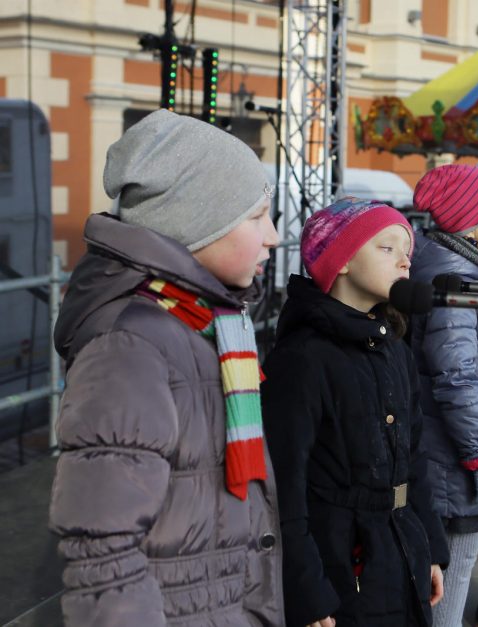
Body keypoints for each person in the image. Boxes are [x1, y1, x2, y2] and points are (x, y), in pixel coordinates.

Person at [47, 109, 284, 625]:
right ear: (196, 220)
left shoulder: (201, 323)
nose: (272, 237)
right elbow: (102, 556)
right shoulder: (133, 346)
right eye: (256, 216)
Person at [261, 198, 449, 627]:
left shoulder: (394, 348)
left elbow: (414, 457)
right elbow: (284, 484)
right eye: (387, 248)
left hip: (401, 549)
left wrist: (431, 549)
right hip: (340, 567)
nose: (405, 261)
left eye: (408, 251)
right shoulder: (304, 358)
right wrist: (305, 589)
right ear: (341, 261)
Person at [406, 164, 478, 627]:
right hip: (454, 460)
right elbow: (455, 376)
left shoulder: (464, 268)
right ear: (470, 225)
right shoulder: (455, 282)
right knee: (452, 574)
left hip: (458, 452)